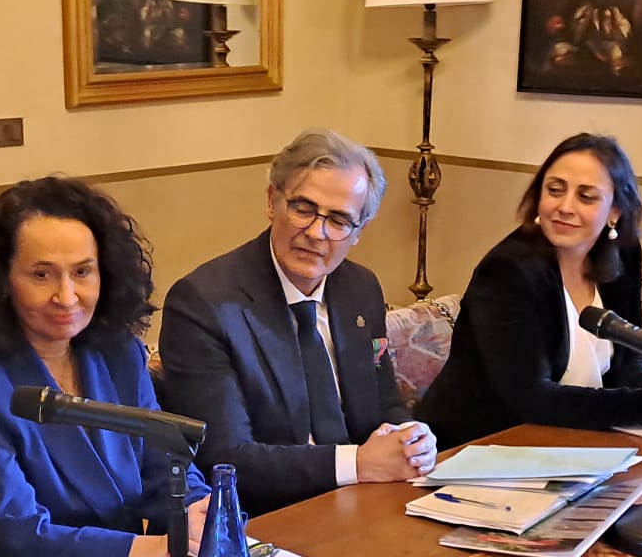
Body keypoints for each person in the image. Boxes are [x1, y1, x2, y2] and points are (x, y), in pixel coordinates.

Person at [0, 176, 209, 557]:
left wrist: (194, 511)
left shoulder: (120, 355)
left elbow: (165, 464)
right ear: (2, 281)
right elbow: (15, 535)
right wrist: (150, 549)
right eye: (42, 275)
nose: (66, 296)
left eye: (82, 272)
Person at [159, 128, 435, 514]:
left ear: (360, 231)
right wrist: (358, 463)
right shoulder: (204, 303)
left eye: (339, 220)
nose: (316, 233)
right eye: (303, 208)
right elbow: (225, 458)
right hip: (267, 517)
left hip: (365, 502)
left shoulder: (361, 288)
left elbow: (384, 401)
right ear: (273, 200)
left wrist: (410, 438)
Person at [418, 132, 642, 448]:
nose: (565, 207)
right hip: (480, 447)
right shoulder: (507, 271)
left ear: (615, 211)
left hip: (567, 443)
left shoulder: (622, 253)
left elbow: (630, 356)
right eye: (555, 191)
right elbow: (531, 399)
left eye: (586, 197)